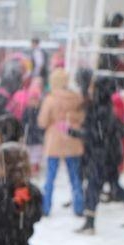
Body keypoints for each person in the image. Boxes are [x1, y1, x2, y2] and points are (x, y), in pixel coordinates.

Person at [72, 77, 124, 234]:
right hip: (109, 155)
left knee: (93, 187)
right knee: (115, 186)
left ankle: (90, 223)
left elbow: (97, 135)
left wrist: (77, 133)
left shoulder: (100, 110)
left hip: (100, 156)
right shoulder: (108, 108)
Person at [37, 69, 84, 216]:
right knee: (75, 176)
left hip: (54, 140)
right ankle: (79, 206)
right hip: (73, 139)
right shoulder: (77, 98)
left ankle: (46, 207)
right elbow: (82, 118)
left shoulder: (50, 99)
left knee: (50, 176)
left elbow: (42, 122)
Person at [22, 87, 44, 175]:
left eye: (35, 100)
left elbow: (42, 121)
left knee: (37, 151)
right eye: (31, 99)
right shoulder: (27, 110)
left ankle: (35, 165)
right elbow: (23, 121)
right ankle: (30, 165)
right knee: (29, 151)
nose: (33, 102)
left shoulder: (40, 110)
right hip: (29, 134)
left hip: (38, 135)